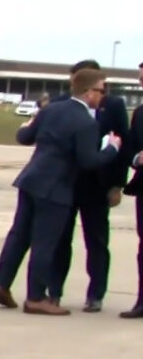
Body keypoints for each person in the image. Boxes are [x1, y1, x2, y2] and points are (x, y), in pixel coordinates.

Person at [0, 67, 122, 315]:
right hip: (55, 188)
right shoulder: (86, 122)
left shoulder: (51, 109)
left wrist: (25, 126)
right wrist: (112, 149)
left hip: (31, 179)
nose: (103, 96)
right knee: (45, 242)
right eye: (101, 90)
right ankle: (36, 297)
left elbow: (25, 136)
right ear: (89, 91)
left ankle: (2, 284)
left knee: (19, 235)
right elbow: (88, 161)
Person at [46, 60, 132, 312]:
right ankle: (54, 291)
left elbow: (122, 145)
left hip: (98, 185)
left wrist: (117, 184)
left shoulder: (113, 106)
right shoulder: (61, 104)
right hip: (67, 183)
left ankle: (96, 294)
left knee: (96, 240)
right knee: (61, 240)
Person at [118, 63, 143, 318]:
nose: (140, 83)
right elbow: (129, 150)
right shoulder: (140, 114)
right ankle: (142, 301)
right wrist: (137, 158)